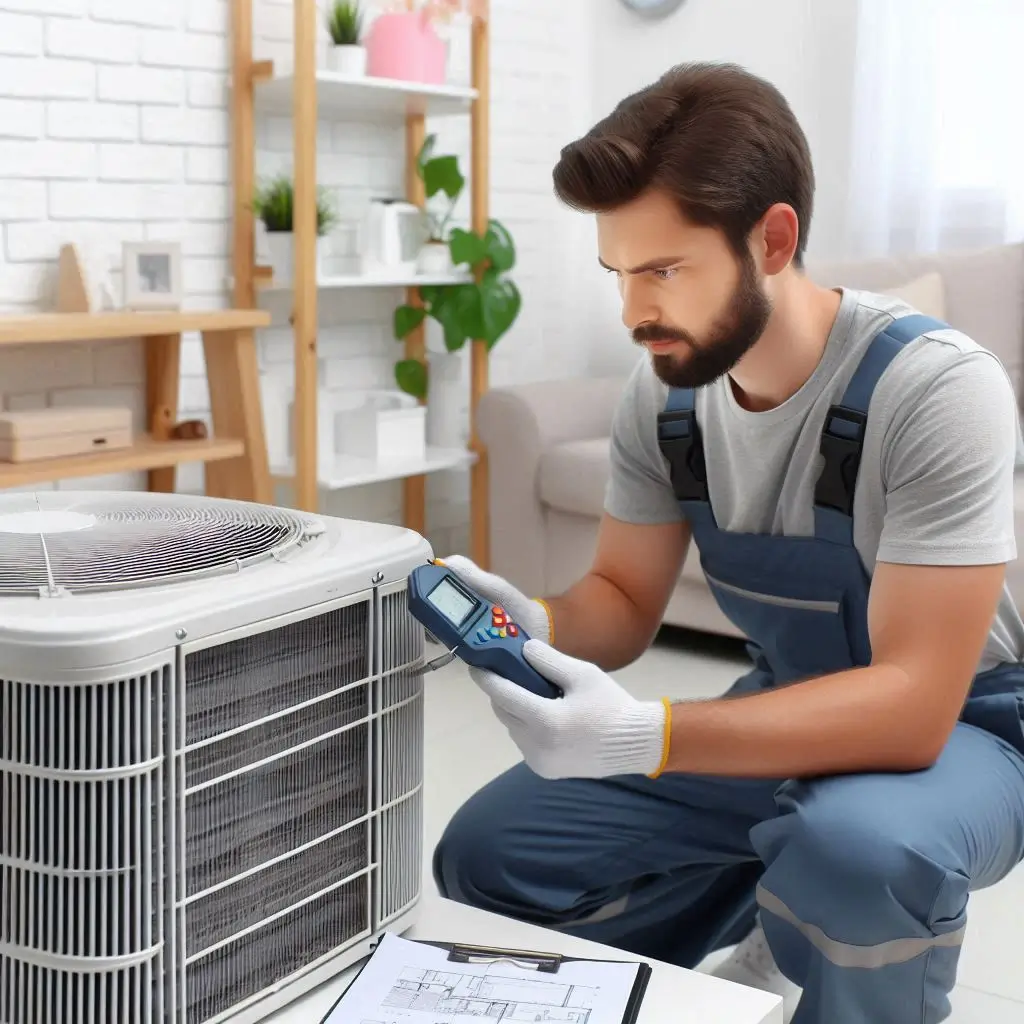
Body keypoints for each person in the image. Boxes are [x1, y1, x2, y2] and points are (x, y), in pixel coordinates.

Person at [431, 62, 1024, 1024]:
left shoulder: (937, 388)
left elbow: (916, 704)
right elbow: (622, 603)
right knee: (494, 850)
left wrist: (641, 735)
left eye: (664, 270)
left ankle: (817, 937)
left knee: (857, 851)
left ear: (773, 238)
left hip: (969, 732)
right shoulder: (664, 399)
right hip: (788, 708)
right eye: (619, 273)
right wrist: (526, 620)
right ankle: (736, 963)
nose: (632, 313)